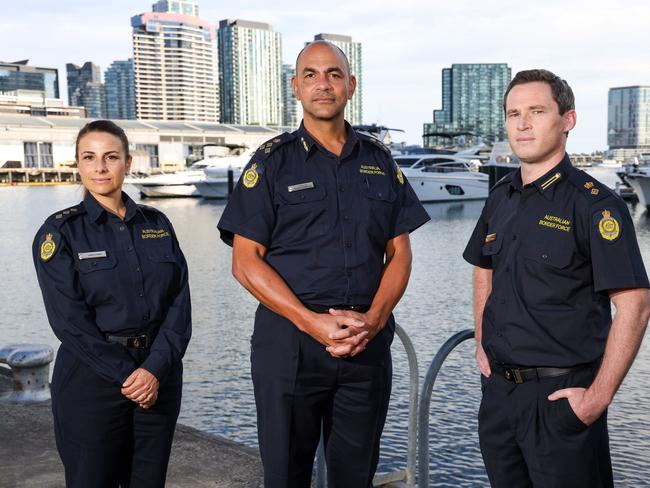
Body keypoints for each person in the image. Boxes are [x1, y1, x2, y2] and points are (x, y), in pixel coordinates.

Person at [217, 40, 430, 487]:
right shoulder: (272, 162)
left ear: (350, 86)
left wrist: (373, 321)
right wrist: (311, 322)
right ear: (295, 87)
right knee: (286, 475)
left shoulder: (378, 160)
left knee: (356, 475)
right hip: (290, 345)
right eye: (311, 75)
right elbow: (245, 262)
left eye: (334, 74)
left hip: (364, 344)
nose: (323, 84)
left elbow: (400, 254)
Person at [463, 69, 650, 488]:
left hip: (561, 399)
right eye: (514, 113)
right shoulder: (500, 197)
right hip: (499, 396)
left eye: (536, 111)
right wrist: (480, 340)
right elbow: (482, 267)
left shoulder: (595, 206)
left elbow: (635, 305)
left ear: (567, 120)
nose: (523, 124)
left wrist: (595, 400)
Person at [32, 120, 191, 488]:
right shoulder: (60, 232)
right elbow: (68, 320)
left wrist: (153, 370)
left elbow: (180, 305)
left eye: (111, 157)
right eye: (89, 157)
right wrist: (128, 375)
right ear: (78, 164)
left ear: (128, 162)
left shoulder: (158, 224)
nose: (100, 167)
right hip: (92, 381)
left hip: (158, 377)